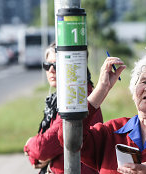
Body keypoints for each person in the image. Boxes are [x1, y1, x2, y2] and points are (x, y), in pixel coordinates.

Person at [24, 42, 103, 174]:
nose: (51, 70)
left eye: (56, 65)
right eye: (47, 65)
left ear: (75, 65)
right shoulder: (61, 97)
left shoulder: (78, 96)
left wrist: (28, 145)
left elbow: (42, 148)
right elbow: (40, 155)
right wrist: (37, 156)